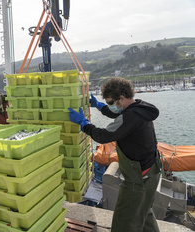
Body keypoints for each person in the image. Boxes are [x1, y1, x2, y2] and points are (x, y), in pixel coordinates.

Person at [68, 77, 161, 232]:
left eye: (111, 103)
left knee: (123, 222)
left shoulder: (130, 116)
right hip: (152, 172)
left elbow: (104, 136)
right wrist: (99, 106)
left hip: (138, 178)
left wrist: (84, 124)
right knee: (143, 212)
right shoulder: (140, 108)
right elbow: (119, 115)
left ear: (122, 98)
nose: (110, 106)